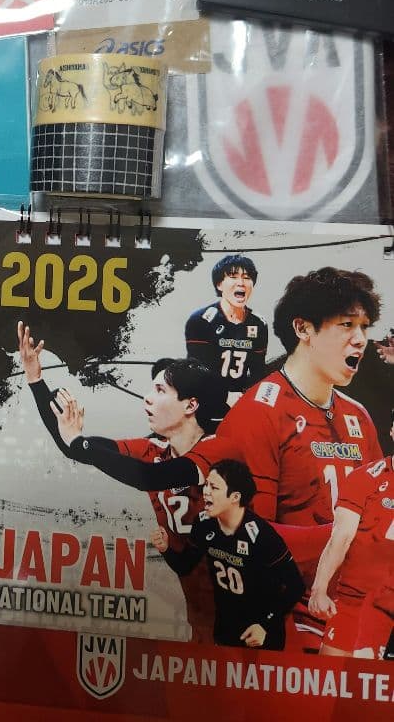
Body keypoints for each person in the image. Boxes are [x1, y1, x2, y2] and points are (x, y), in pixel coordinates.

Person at [44, 267, 387, 650]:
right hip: (290, 623)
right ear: (303, 328)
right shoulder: (258, 415)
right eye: (346, 325)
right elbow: (249, 537)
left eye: (364, 327)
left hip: (360, 615)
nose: (360, 339)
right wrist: (345, 536)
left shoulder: (358, 417)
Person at [22, 323, 225, 643]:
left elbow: (150, 478)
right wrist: (35, 379)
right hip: (199, 616)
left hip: (244, 615)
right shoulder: (153, 450)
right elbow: (74, 447)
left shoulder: (218, 449)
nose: (147, 399)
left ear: (191, 405)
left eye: (160, 391)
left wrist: (80, 443)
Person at [158, 459, 304, 650]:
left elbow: (296, 586)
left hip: (261, 636)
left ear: (235, 497)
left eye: (214, 487)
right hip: (225, 631)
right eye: (206, 485)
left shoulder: (261, 535)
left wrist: (265, 625)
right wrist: (165, 549)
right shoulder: (204, 524)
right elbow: (184, 565)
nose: (206, 491)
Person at [308, 448, 394, 658]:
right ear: (392, 432)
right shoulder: (364, 478)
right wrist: (319, 589)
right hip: (354, 602)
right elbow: (341, 536)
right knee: (330, 676)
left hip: (387, 605)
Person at [184, 254, 269, 400]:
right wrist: (224, 396)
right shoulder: (200, 320)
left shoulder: (258, 323)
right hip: (205, 399)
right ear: (219, 284)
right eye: (233, 277)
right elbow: (195, 373)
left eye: (247, 277)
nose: (241, 283)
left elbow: (258, 372)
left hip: (240, 400)